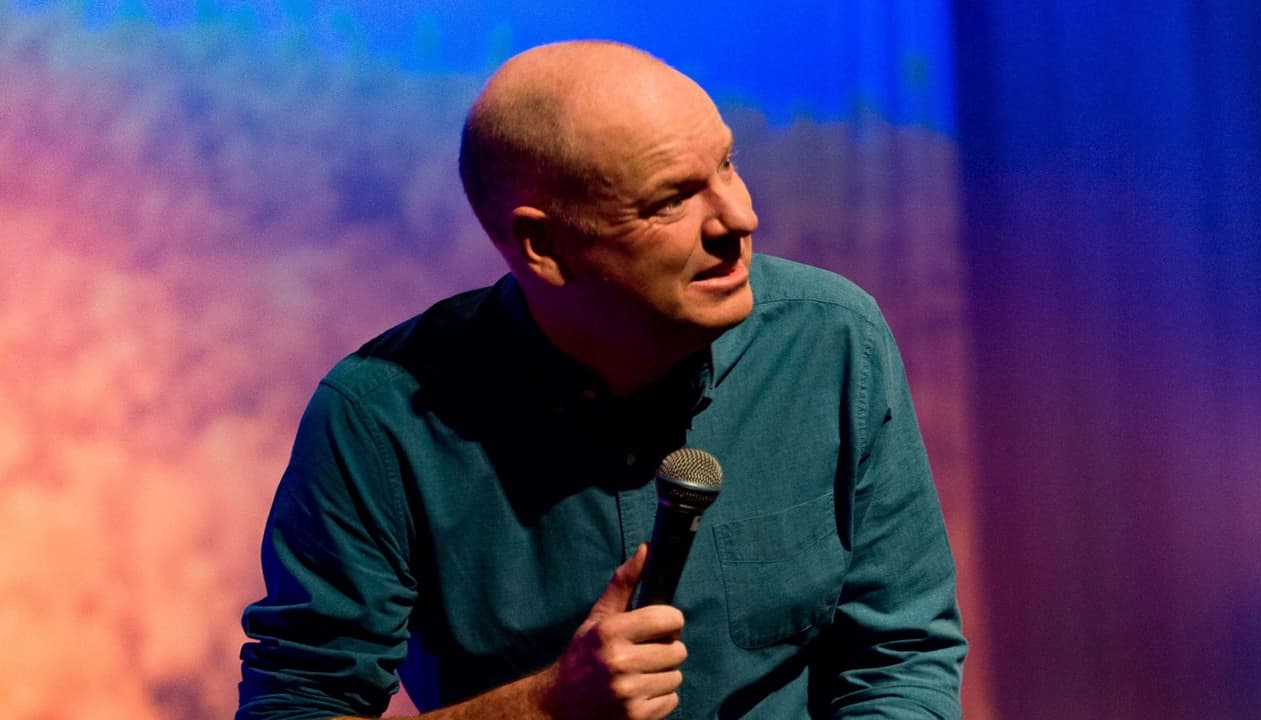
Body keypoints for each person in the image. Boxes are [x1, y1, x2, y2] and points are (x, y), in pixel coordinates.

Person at [238, 40, 966, 720]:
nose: (739, 217)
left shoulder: (832, 340)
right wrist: (546, 706)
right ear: (543, 245)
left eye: (728, 164)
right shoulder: (376, 420)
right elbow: (299, 706)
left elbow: (902, 657)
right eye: (671, 200)